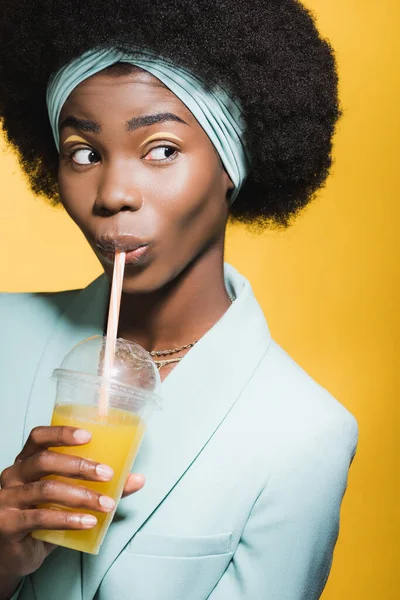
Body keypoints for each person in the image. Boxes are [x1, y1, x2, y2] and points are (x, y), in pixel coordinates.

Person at [0, 0, 358, 598]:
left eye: (161, 149)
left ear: (233, 165)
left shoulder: (304, 433)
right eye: (84, 153)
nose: (113, 193)